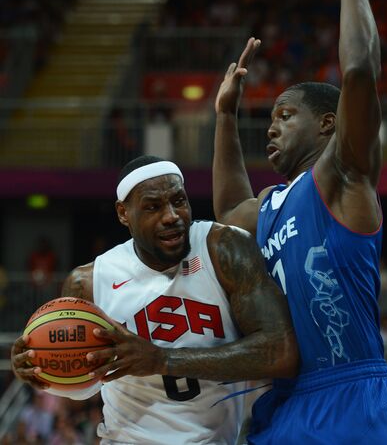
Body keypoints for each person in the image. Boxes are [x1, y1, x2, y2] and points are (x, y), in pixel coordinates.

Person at [213, 0, 387, 444]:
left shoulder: (343, 174)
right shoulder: (271, 204)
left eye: (284, 115)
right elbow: (230, 213)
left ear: (328, 123)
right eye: (270, 119)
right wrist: (225, 117)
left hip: (353, 395)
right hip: (287, 401)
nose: (272, 127)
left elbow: (362, 72)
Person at [12, 155, 299, 445]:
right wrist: (42, 374)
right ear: (124, 213)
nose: (172, 215)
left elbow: (280, 352)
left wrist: (161, 359)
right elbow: (84, 387)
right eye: (153, 206)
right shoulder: (89, 281)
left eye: (179, 201)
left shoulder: (222, 248)